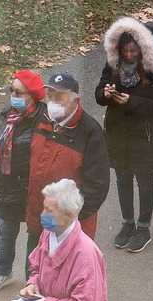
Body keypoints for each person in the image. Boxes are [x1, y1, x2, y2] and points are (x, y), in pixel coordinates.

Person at [95, 17, 153, 253]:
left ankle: (143, 227)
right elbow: (98, 95)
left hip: (145, 135)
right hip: (118, 134)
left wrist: (131, 101)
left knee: (145, 180)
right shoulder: (113, 66)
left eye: (133, 51)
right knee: (123, 178)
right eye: (124, 50)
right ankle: (127, 223)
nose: (128, 55)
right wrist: (106, 94)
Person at [28, 73, 110, 249]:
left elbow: (97, 186)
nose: (53, 101)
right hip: (39, 219)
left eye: (59, 96)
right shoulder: (42, 119)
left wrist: (66, 219)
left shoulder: (90, 132)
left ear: (75, 99)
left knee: (68, 274)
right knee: (35, 271)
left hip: (70, 228)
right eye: (50, 96)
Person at [0, 70, 46, 295]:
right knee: (6, 231)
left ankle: (33, 279)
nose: (13, 95)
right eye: (12, 90)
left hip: (31, 189)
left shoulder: (44, 118)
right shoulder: (6, 114)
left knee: (35, 236)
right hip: (8, 186)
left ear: (32, 95)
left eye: (19, 92)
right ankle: (4, 272)